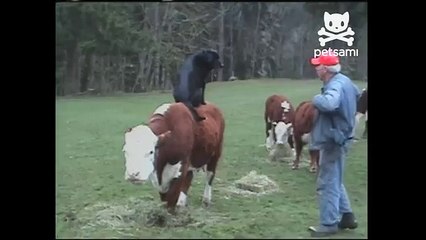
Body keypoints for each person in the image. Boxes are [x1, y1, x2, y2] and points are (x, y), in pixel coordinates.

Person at [308, 53, 360, 237]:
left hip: (333, 140)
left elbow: (329, 103)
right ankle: (347, 216)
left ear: (326, 69)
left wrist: (316, 99)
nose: (316, 68)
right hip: (343, 137)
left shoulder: (335, 85)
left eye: (318, 65)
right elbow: (357, 94)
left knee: (327, 182)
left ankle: (328, 223)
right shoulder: (345, 80)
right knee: (335, 178)